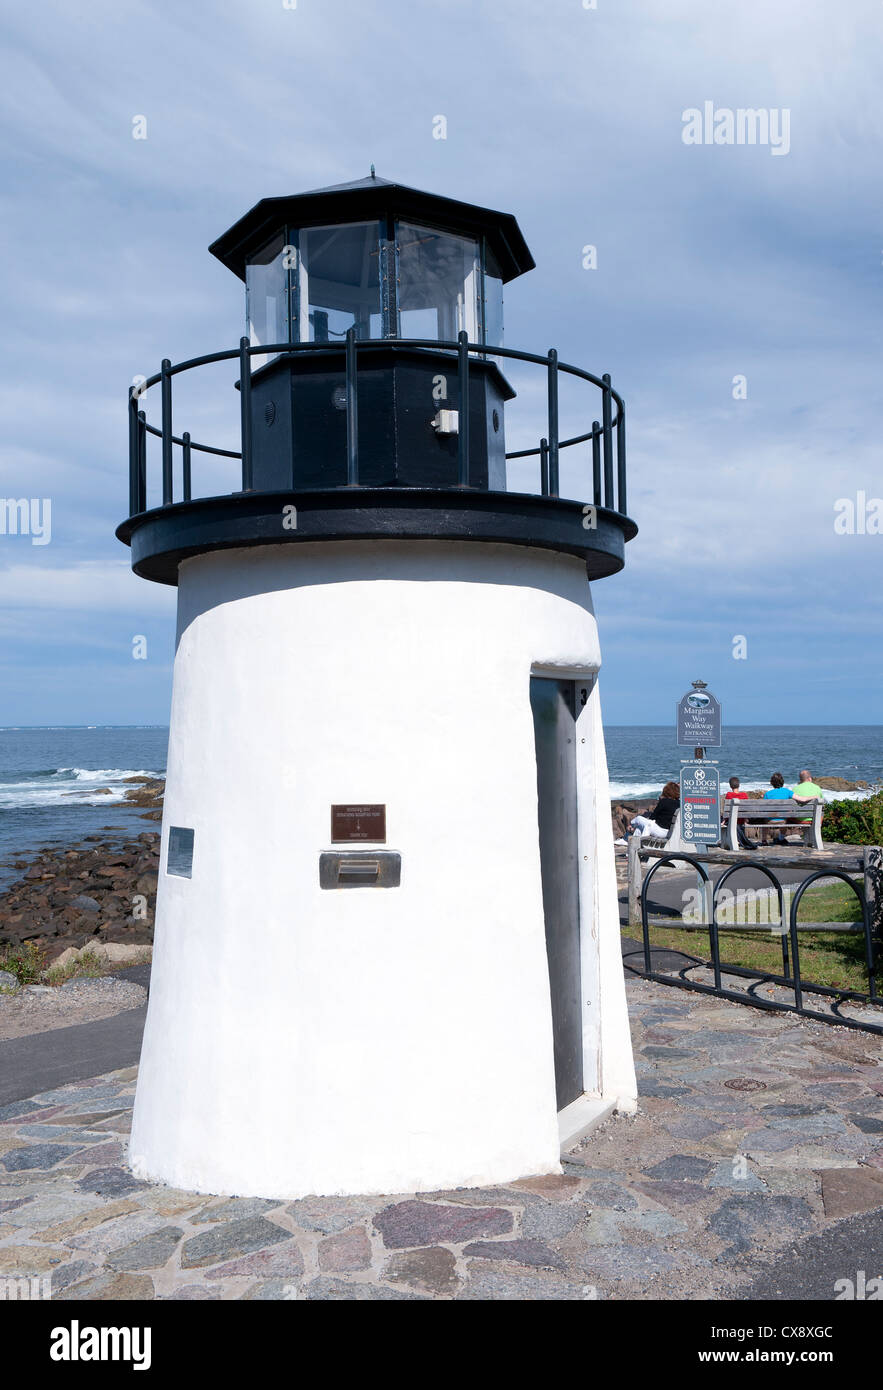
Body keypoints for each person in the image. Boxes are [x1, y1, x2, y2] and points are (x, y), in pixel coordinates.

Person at [763, 772, 792, 844]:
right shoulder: (787, 792)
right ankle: (781, 838)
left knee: (764, 820)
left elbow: (763, 808)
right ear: (782, 782)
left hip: (770, 821)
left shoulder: (768, 794)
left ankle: (764, 839)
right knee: (785, 816)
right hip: (783, 821)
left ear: (772, 783)